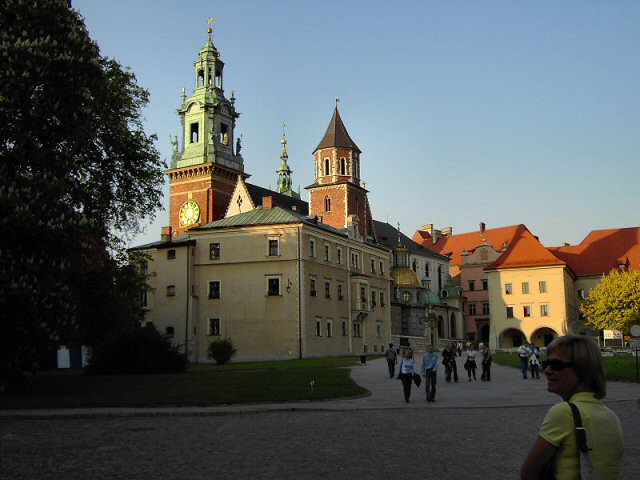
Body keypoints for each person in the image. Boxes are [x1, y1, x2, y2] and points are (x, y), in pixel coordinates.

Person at [520, 335, 624, 480]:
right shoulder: (611, 416)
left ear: (583, 369)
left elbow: (528, 473)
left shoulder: (564, 412)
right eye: (546, 364)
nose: (548, 370)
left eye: (556, 365)